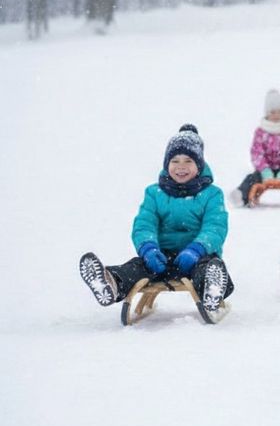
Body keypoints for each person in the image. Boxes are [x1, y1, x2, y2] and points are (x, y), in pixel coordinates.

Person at [79, 124, 233, 313]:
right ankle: (111, 281)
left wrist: (197, 249)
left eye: (188, 160)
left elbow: (215, 226)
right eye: (175, 160)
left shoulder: (211, 194)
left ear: (199, 165)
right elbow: (144, 223)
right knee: (137, 266)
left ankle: (212, 288)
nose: (181, 166)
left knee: (207, 268)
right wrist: (149, 249)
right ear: (166, 164)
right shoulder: (154, 193)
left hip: (199, 256)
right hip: (161, 256)